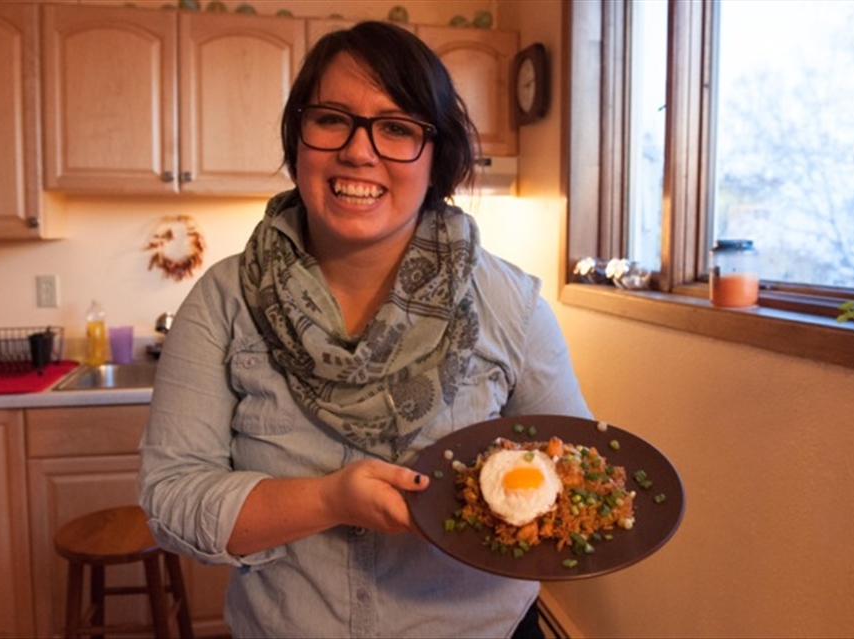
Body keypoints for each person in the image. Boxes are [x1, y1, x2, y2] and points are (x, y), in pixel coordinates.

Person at [139, 21, 591, 639]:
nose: (359, 150)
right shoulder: (223, 301)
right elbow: (171, 501)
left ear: (437, 158)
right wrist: (327, 501)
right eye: (331, 119)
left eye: (398, 128)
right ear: (298, 136)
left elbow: (577, 478)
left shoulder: (510, 306)